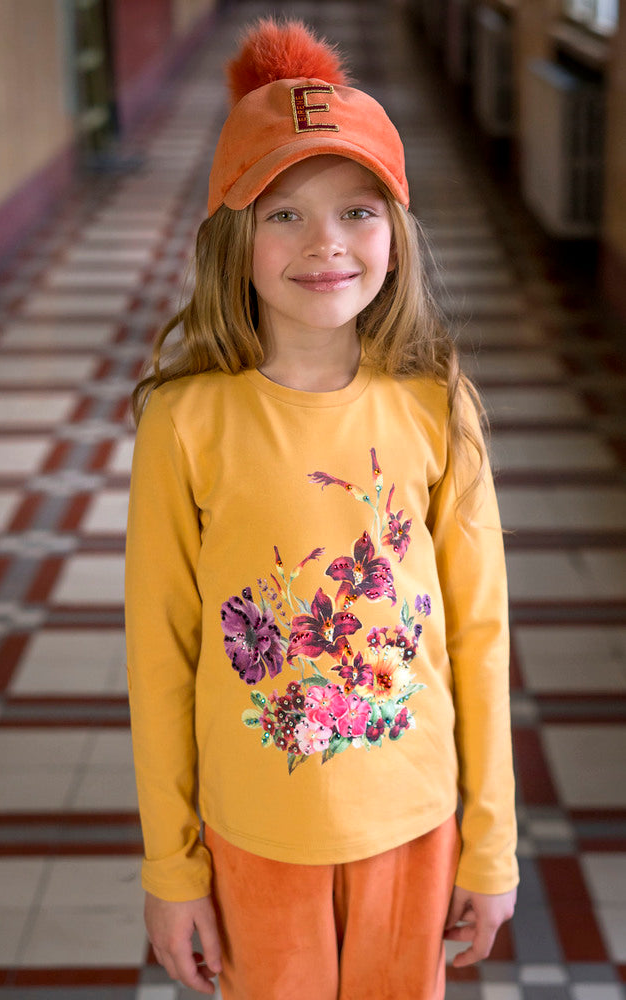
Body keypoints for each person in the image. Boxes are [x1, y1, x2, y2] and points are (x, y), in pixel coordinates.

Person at [125, 17, 518, 1000]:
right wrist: (173, 870)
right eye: (283, 214)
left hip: (415, 821)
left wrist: (492, 845)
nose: (327, 244)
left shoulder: (435, 401)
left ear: (396, 230)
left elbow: (478, 631)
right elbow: (158, 652)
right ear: (231, 235)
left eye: (357, 210)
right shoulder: (185, 420)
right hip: (253, 830)